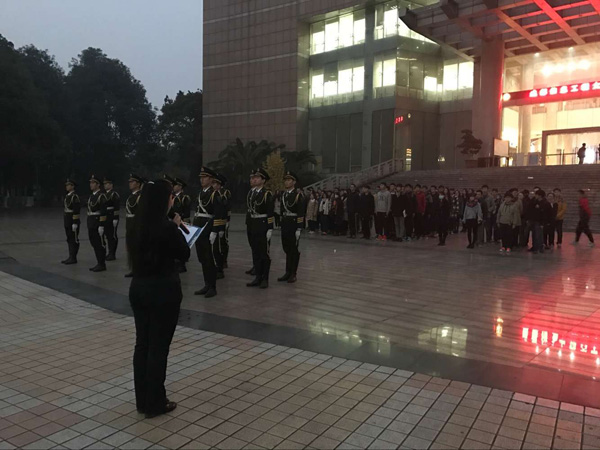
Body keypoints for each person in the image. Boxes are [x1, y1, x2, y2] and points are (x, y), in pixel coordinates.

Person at [127, 178, 190, 419]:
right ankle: (155, 402)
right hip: (163, 291)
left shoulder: (135, 224)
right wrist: (176, 227)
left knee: (142, 344)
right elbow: (184, 253)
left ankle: (142, 400)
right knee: (158, 347)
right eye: (170, 197)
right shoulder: (166, 227)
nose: (173, 200)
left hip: (139, 288)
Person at [193, 167, 226, 298]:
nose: (202, 180)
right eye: (201, 177)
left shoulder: (214, 194)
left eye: (205, 177)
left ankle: (212, 287)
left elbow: (219, 214)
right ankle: (206, 284)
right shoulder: (201, 193)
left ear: (211, 179)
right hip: (199, 228)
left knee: (209, 259)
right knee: (202, 258)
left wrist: (215, 231)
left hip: (208, 228)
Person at [247, 168, 275, 288]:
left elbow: (270, 212)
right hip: (253, 224)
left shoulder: (267, 194)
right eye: (254, 177)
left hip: (262, 224)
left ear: (263, 180)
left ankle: (265, 278)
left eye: (258, 177)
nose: (255, 179)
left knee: (264, 253)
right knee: (255, 252)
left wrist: (270, 228)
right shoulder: (252, 193)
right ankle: (258, 277)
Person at [278, 171, 304, 283]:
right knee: (287, 248)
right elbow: (281, 210)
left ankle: (293, 273)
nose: (286, 182)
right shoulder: (284, 195)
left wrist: (299, 228)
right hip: (285, 223)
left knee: (293, 249)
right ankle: (287, 272)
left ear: (294, 182)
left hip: (293, 224)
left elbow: (301, 213)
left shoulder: (298, 195)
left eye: (289, 180)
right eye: (285, 180)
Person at [169, 177, 191, 273]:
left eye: (176, 185)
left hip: (181, 222)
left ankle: (182, 263)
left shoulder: (184, 198)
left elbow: (186, 212)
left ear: (180, 187)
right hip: (173, 221)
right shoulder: (172, 197)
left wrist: (185, 223)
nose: (174, 187)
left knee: (182, 241)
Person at [87, 175, 108, 272]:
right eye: (90, 183)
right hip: (91, 222)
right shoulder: (92, 196)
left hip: (97, 222)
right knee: (94, 243)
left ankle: (102, 264)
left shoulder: (101, 196)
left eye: (93, 183)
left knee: (100, 243)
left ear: (98, 185)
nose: (91, 185)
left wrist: (101, 225)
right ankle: (99, 262)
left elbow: (103, 211)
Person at [124, 174, 143, 278]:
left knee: (137, 248)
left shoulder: (140, 196)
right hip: (129, 224)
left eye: (132, 182)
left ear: (138, 184)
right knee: (130, 248)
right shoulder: (131, 196)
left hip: (136, 225)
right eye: (130, 182)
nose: (130, 184)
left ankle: (139, 269)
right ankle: (134, 268)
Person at [211, 173, 228, 280]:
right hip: (212, 224)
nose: (214, 185)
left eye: (216, 184)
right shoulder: (212, 195)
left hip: (218, 225)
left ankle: (220, 268)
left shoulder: (222, 196)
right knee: (213, 248)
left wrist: (221, 227)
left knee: (218, 247)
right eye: (213, 183)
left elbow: (223, 212)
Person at [61, 179, 81, 265]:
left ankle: (73, 257)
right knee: (69, 238)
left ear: (73, 186)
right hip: (67, 220)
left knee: (74, 239)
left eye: (68, 185)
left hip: (72, 220)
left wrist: (75, 222)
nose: (67, 186)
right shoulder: (67, 196)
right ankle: (70, 256)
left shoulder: (74, 197)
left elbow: (76, 210)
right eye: (66, 185)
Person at [103, 177, 121, 261]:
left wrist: (115, 218)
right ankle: (109, 252)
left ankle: (112, 253)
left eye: (107, 184)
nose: (105, 185)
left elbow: (116, 207)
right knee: (108, 235)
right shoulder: (104, 195)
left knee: (112, 235)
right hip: (106, 216)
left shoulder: (114, 194)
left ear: (111, 185)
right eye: (104, 184)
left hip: (112, 216)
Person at [245, 172, 257, 276]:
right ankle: (255, 265)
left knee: (257, 246)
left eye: (254, 178)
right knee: (252, 244)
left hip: (257, 221)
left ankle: (258, 267)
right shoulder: (250, 192)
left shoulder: (260, 193)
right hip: (250, 221)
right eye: (251, 179)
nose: (251, 180)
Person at [529, 190, 545, 254]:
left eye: (536, 194)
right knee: (534, 235)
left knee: (538, 235)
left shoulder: (544, 203)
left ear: (540, 195)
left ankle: (540, 247)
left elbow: (544, 214)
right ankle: (535, 247)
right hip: (534, 220)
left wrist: (542, 223)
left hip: (539, 221)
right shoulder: (535, 201)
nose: (535, 196)